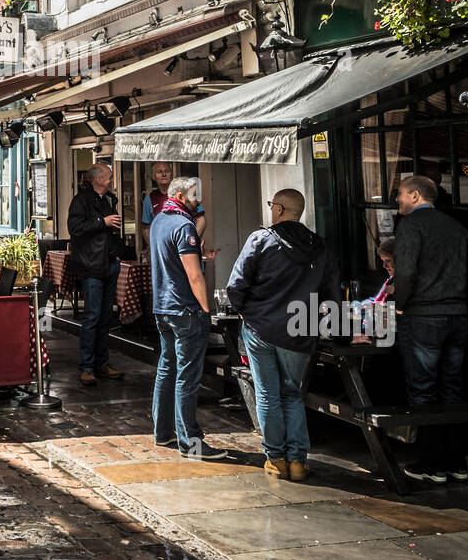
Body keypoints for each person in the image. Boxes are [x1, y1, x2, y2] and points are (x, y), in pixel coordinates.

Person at [227, 189, 339, 481]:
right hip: (299, 329)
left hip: (261, 326)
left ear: (278, 209)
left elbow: (235, 286)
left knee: (267, 393)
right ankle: (298, 461)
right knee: (292, 393)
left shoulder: (261, 240)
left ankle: (275, 459)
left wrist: (244, 312)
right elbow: (332, 297)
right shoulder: (320, 246)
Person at [393, 174, 468, 484]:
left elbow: (405, 271)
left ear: (415, 195)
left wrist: (400, 303)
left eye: (401, 194)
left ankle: (432, 464)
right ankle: (456, 461)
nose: (398, 200)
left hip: (423, 315)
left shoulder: (411, 226)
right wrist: (461, 290)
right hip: (457, 314)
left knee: (423, 389)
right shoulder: (455, 226)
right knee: (452, 388)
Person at [150, 177, 226, 459]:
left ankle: (162, 432)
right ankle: (191, 443)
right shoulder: (184, 225)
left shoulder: (160, 219)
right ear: (181, 195)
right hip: (185, 309)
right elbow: (194, 276)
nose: (199, 201)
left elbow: (171, 258)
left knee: (167, 368)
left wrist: (198, 254)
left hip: (162, 308)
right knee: (187, 376)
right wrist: (207, 310)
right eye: (195, 196)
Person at [67, 163, 125, 386]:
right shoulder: (81, 200)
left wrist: (117, 252)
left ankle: (102, 363)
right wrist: (103, 222)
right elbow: (75, 228)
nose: (111, 180)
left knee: (105, 317)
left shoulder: (109, 199)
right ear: (98, 179)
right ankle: (87, 366)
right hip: (92, 265)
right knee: (92, 317)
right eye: (108, 177)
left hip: (109, 262)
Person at [142, 163, 207, 247]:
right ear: (153, 176)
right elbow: (146, 228)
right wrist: (156, 248)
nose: (164, 174)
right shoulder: (150, 198)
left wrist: (190, 242)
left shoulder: (184, 193)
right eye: (159, 172)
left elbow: (201, 220)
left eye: (167, 171)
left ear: (172, 174)